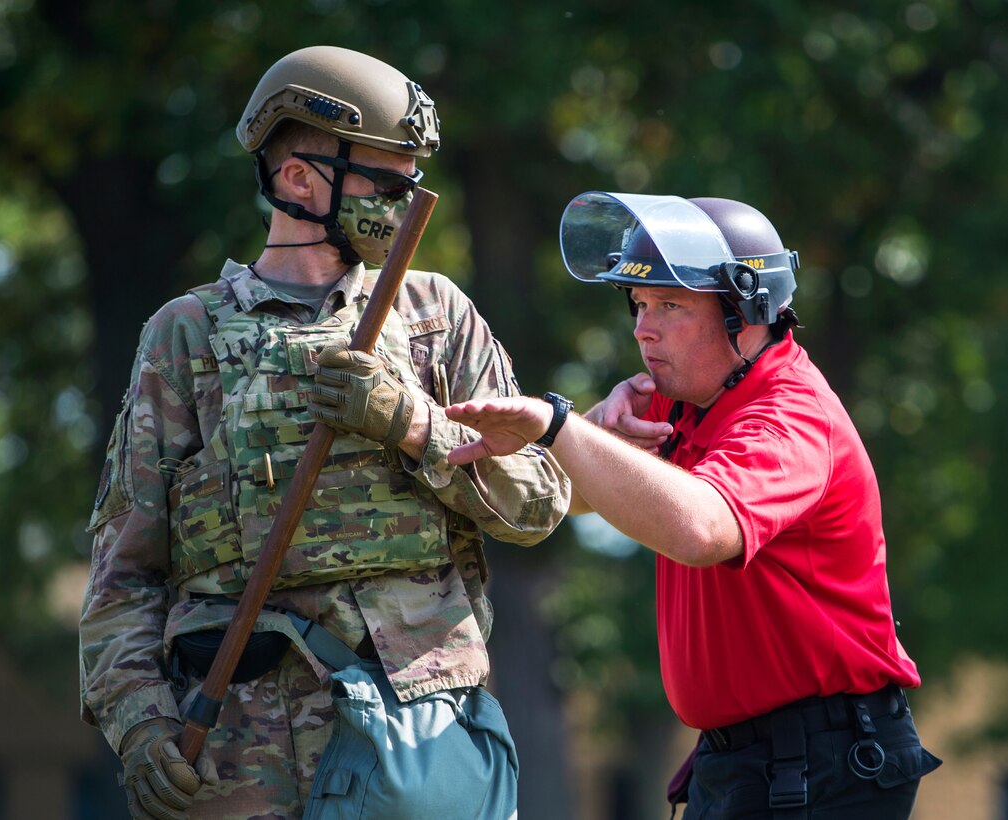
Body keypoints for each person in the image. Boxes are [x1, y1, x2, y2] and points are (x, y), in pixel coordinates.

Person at [79, 45, 568, 819]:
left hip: (415, 744)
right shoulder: (187, 336)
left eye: (410, 183)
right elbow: (122, 574)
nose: (403, 203)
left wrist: (413, 426)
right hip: (238, 756)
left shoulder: (435, 316)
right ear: (298, 179)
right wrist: (140, 723)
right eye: (383, 181)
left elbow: (538, 506)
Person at [445, 192, 941, 819]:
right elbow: (572, 501)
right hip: (754, 763)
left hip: (824, 763)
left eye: (671, 305)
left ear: (749, 312)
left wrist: (562, 429)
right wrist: (594, 430)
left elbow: (700, 528)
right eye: (641, 303)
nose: (642, 328)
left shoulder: (787, 417)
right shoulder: (685, 398)